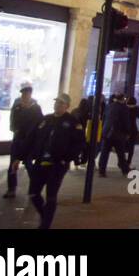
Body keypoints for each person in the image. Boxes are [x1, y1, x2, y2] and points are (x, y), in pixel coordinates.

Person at [24, 94, 86, 230]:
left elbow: (79, 143)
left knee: (51, 195)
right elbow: (33, 138)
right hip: (41, 161)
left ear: (67, 106)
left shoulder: (72, 122)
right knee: (33, 193)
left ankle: (45, 225)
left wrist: (67, 158)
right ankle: (44, 215)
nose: (57, 104)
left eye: (61, 103)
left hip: (58, 164)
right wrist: (27, 155)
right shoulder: (46, 119)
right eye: (56, 102)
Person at [5, 83, 44, 198]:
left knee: (29, 164)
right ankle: (11, 189)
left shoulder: (36, 107)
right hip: (18, 139)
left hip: (30, 141)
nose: (24, 95)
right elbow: (12, 121)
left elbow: (40, 123)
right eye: (23, 93)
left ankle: (35, 188)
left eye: (26, 93)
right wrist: (15, 129)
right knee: (13, 164)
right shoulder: (17, 106)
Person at [99, 94, 133, 176]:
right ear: (122, 99)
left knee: (104, 152)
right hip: (118, 133)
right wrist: (128, 132)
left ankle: (102, 171)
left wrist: (103, 130)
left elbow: (104, 118)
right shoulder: (124, 108)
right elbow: (126, 121)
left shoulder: (109, 106)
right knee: (120, 153)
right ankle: (125, 169)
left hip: (107, 133)